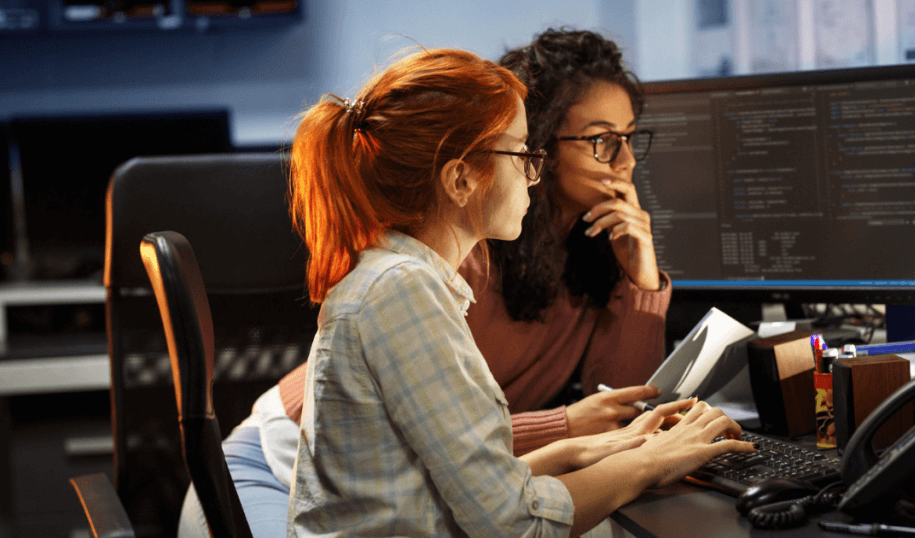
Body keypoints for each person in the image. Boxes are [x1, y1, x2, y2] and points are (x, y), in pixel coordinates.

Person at [178, 28, 684, 537]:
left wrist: (638, 279)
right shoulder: (428, 275)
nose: (627, 161)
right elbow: (492, 499)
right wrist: (587, 440)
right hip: (269, 468)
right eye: (601, 140)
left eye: (629, 137)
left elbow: (613, 404)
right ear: (463, 178)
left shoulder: (432, 266)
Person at [279, 46, 753, 537]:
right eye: (523, 153)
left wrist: (586, 449)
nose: (534, 173)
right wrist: (651, 463)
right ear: (461, 179)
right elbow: (516, 524)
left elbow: (445, 477)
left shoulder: (407, 278)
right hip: (273, 451)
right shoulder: (405, 290)